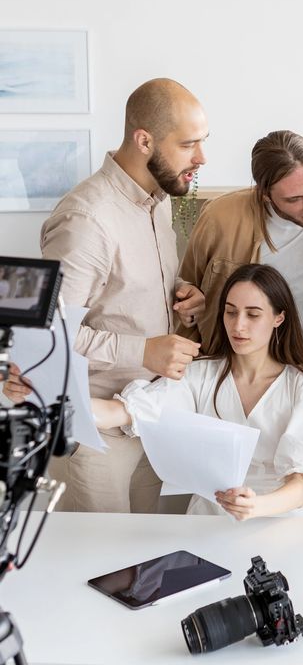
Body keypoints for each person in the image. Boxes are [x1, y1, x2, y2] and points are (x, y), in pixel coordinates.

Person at [3, 77, 208, 513]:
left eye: (202, 142)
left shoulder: (160, 198)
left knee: (144, 548)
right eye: (188, 144)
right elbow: (48, 338)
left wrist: (180, 295)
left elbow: (122, 291)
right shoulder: (86, 220)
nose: (201, 157)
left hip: (149, 415)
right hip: (95, 433)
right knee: (100, 553)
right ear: (144, 140)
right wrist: (143, 351)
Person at [91, 264, 303, 520]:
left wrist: (255, 507)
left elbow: (302, 485)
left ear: (279, 318)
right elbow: (126, 411)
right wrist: (70, 407)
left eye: (253, 315)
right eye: (231, 312)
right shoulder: (199, 374)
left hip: (283, 519)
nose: (238, 325)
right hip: (211, 518)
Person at [178, 130, 303, 389]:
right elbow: (186, 291)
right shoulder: (220, 218)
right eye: (294, 199)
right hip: (230, 380)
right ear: (265, 195)